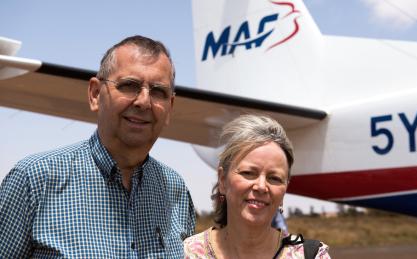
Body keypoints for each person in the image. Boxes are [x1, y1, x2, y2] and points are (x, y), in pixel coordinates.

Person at [0, 35, 195, 257]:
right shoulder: (33, 181)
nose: (144, 101)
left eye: (158, 91)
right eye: (129, 85)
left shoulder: (175, 190)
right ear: (95, 94)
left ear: (170, 106)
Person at [183, 114, 330, 258]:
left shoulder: (311, 255)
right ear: (222, 180)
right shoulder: (185, 253)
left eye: (274, 178)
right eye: (248, 173)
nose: (261, 186)